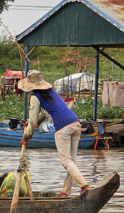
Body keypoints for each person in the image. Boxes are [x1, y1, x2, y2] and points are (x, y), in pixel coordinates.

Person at [19, 70, 91, 198]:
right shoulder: (51, 92)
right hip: (75, 123)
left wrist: (25, 137)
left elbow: (33, 120)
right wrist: (33, 123)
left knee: (66, 161)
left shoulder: (35, 97)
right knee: (71, 162)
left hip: (62, 127)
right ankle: (65, 192)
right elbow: (44, 113)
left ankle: (85, 186)